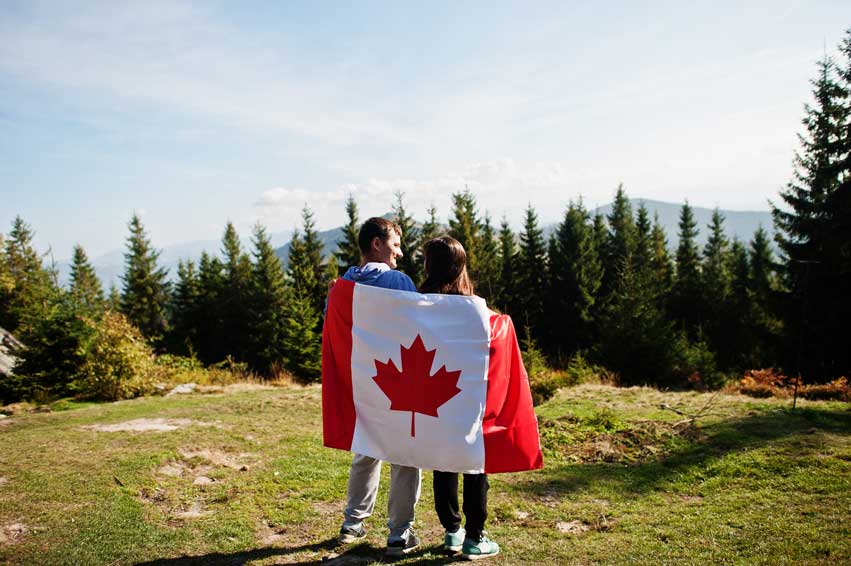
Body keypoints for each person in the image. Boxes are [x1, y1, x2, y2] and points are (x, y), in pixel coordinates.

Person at [335, 217, 422, 556]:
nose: (399, 253)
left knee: (366, 451)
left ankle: (352, 523)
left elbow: (336, 329)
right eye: (395, 245)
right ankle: (399, 533)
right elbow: (419, 327)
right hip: (398, 378)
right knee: (405, 455)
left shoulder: (344, 284)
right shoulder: (398, 281)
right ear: (376, 243)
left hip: (361, 381)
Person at [418, 236, 500, 560]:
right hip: (468, 394)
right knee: (474, 463)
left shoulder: (415, 304)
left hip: (431, 395)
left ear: (429, 266)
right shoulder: (475, 307)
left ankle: (453, 531)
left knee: (444, 461)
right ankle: (475, 537)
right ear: (460, 267)